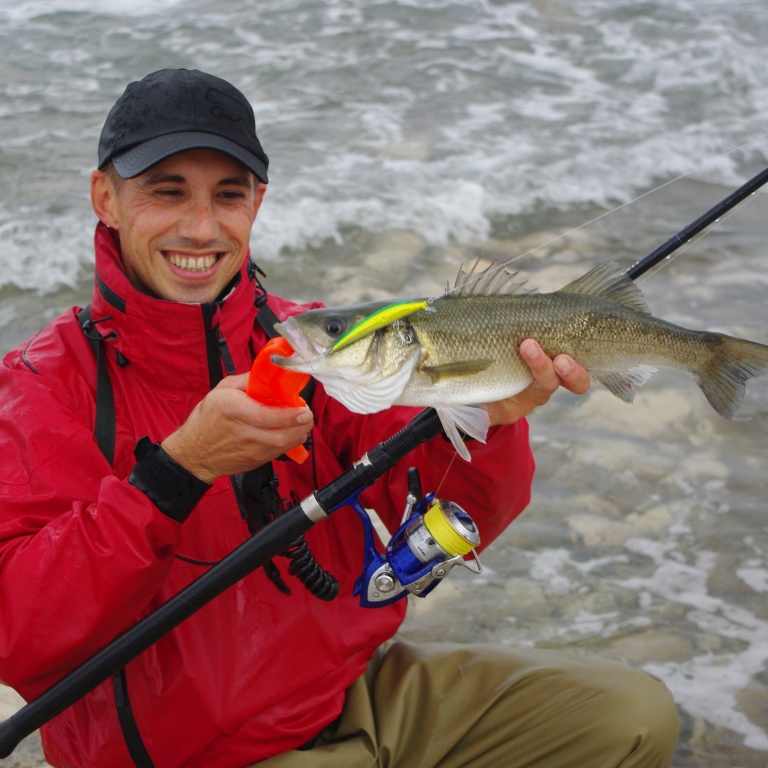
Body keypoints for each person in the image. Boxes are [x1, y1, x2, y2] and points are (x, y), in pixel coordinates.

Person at [0, 69, 679, 768]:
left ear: (257, 203)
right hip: (194, 754)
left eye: (228, 195)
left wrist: (493, 419)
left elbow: (448, 516)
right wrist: (179, 471)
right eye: (166, 192)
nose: (201, 227)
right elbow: (17, 631)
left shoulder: (319, 342)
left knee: (632, 718)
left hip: (351, 698)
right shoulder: (39, 387)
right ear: (104, 198)